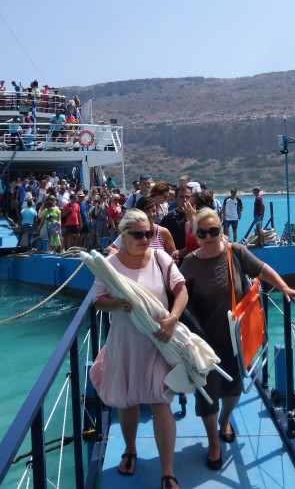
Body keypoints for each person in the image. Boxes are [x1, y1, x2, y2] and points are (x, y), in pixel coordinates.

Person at [179, 208, 295, 472]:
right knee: (207, 394)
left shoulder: (235, 251)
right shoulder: (190, 262)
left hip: (236, 338)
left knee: (234, 388)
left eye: (214, 231)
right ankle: (214, 442)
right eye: (203, 232)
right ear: (196, 236)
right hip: (203, 340)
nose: (210, 237)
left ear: (221, 230)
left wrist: (283, 286)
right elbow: (178, 295)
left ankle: (225, 419)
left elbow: (262, 269)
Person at [91, 209, 186, 489]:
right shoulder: (110, 265)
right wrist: (118, 304)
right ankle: (130, 449)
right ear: (124, 235)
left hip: (158, 340)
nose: (146, 239)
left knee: (160, 401)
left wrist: (173, 318)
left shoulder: (160, 258)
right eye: (139, 235)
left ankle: (167, 468)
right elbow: (98, 300)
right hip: (125, 342)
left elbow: (181, 290)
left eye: (149, 234)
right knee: (129, 399)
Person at [159, 185, 193, 262]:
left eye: (188, 197)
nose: (185, 200)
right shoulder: (169, 217)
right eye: (181, 197)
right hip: (177, 259)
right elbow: (160, 238)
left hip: (195, 259)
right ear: (175, 198)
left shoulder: (198, 215)